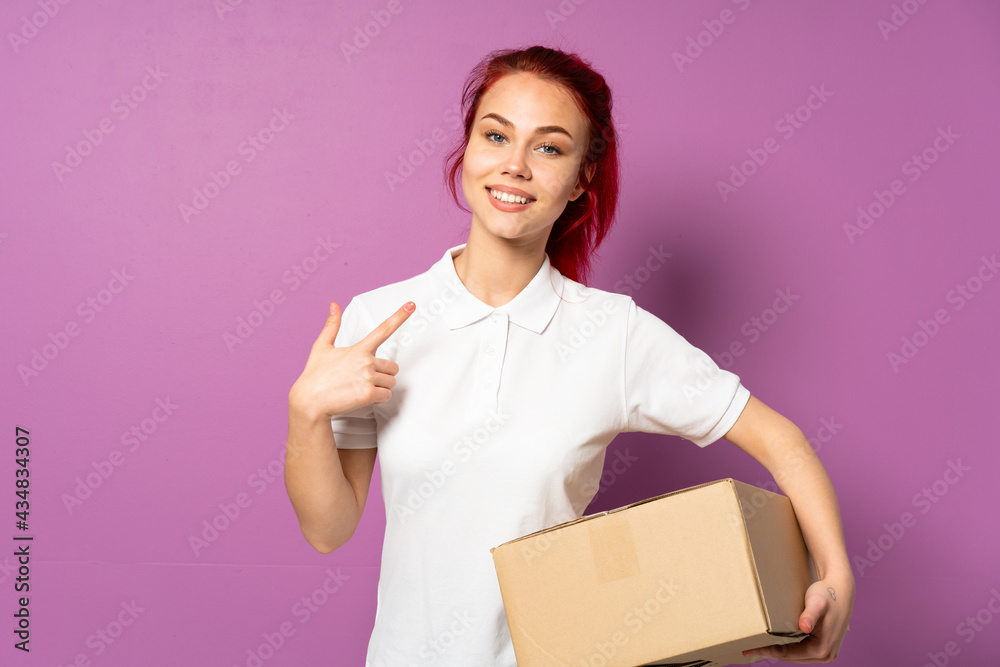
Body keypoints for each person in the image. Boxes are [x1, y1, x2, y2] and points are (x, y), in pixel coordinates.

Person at [284, 45, 854, 665]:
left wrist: (835, 576)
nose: (515, 166)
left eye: (549, 148)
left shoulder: (613, 334)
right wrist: (304, 414)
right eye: (496, 136)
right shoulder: (378, 321)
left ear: (582, 177)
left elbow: (783, 443)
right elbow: (328, 530)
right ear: (467, 148)